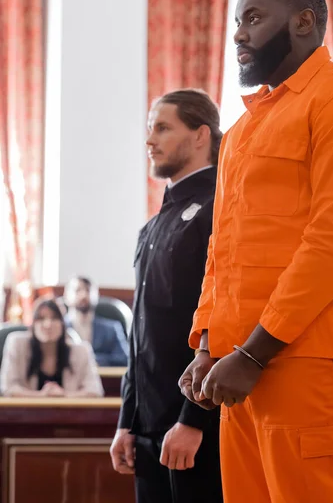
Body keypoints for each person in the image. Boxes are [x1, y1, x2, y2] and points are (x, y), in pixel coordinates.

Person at [180, 0, 333, 503]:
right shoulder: (244, 131)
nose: (238, 35)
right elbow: (221, 247)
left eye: (253, 18)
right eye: (236, 22)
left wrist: (253, 355)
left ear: (304, 23)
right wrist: (209, 343)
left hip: (308, 362)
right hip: (238, 366)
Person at [110, 89, 223, 503]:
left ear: (200, 135)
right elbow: (141, 339)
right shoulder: (152, 228)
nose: (149, 140)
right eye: (148, 128)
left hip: (196, 431)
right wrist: (128, 422)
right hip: (149, 432)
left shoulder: (220, 209)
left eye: (162, 127)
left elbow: (222, 320)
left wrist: (193, 421)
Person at [0, 298, 104, 397]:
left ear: (63, 324)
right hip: (23, 414)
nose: (48, 324)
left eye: (54, 318)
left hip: (69, 414)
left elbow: (95, 391)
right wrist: (41, 396)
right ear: (32, 325)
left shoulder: (82, 350)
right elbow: (8, 388)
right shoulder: (16, 343)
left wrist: (63, 395)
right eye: (41, 318)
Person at [64, 276, 128, 367]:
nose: (84, 295)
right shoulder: (59, 327)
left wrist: (92, 359)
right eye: (78, 290)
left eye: (88, 290)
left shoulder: (111, 328)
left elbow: (124, 359)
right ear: (66, 296)